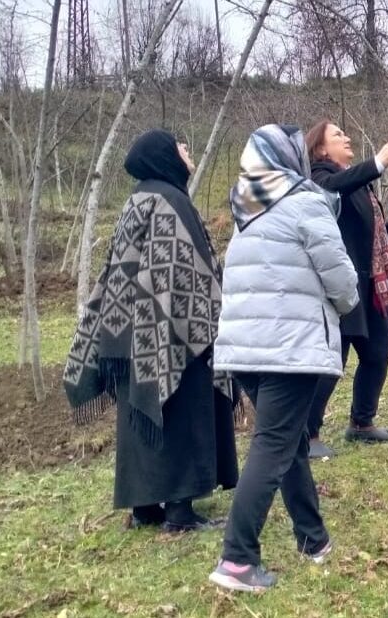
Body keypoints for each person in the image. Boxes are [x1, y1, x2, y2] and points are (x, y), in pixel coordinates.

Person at [208, 124, 359, 593]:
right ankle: (237, 559)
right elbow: (340, 278)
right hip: (289, 348)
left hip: (246, 351)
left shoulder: (246, 210)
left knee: (288, 442)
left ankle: (313, 539)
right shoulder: (304, 202)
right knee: (273, 446)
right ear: (289, 159)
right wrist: (345, 302)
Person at [63, 129, 238, 532]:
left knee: (139, 413)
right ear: (164, 155)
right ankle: (179, 511)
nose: (187, 150)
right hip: (169, 330)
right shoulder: (170, 200)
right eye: (181, 145)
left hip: (127, 331)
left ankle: (144, 507)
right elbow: (189, 277)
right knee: (182, 409)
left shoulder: (138, 198)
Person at [304, 121, 388, 456]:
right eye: (338, 135)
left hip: (369, 281)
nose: (347, 137)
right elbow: (334, 188)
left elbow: (363, 231)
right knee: (331, 362)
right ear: (321, 149)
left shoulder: (356, 184)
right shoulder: (317, 179)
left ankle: (361, 422)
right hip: (337, 283)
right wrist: (377, 164)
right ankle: (307, 434)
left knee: (380, 348)